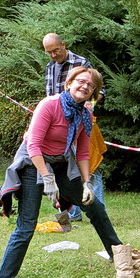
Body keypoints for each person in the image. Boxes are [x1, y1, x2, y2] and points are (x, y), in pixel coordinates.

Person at [0, 66, 123, 278]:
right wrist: (47, 178)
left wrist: (87, 182)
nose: (85, 87)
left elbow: (83, 151)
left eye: (91, 86)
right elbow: (33, 145)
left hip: (62, 163)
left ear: (93, 93)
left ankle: (120, 257)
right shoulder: (50, 105)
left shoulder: (85, 113)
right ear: (69, 82)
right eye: (81, 81)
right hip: (34, 163)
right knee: (26, 225)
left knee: (94, 207)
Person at [42, 32, 105, 222]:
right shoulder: (50, 67)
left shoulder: (81, 63)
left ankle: (97, 211)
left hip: (80, 123)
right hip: (58, 125)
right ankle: (74, 213)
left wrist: (87, 107)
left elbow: (99, 91)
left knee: (89, 164)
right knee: (67, 166)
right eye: (49, 52)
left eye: (56, 50)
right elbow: (49, 96)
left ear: (64, 44)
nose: (53, 55)